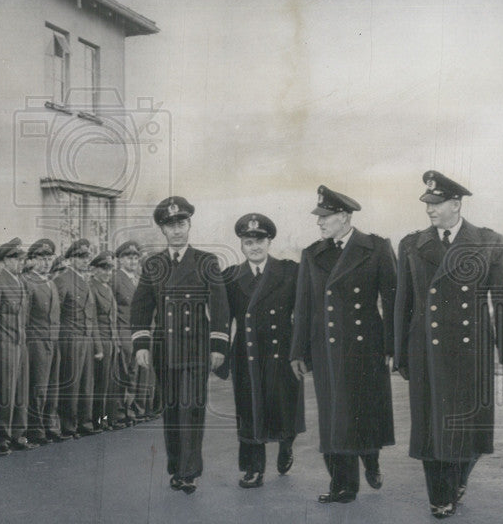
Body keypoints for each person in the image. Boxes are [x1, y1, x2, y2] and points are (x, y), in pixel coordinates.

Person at [395, 170, 503, 519]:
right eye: (427, 204)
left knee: (470, 431)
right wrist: (400, 353)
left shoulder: (487, 241)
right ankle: (441, 495)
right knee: (430, 429)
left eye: (437, 204)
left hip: (473, 353)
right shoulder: (411, 244)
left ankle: (457, 480)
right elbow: (403, 304)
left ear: (456, 203)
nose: (430, 211)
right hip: (426, 351)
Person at [290, 185, 397, 504]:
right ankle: (343, 486)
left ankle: (371, 457)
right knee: (333, 416)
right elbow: (304, 305)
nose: (319, 223)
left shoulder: (376, 247)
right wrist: (298, 351)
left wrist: (393, 347)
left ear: (345, 217)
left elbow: (392, 300)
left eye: (326, 217)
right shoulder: (312, 253)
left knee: (363, 412)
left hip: (366, 347)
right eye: (318, 217)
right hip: (326, 348)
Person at [131, 197, 230, 494]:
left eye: (181, 224)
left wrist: (218, 345)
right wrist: (141, 344)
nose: (177, 230)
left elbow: (221, 307)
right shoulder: (154, 264)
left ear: (189, 225)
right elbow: (140, 307)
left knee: (191, 409)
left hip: (195, 349)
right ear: (162, 229)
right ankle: (176, 467)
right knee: (172, 410)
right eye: (170, 225)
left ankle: (189, 471)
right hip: (165, 350)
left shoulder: (206, 261)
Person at [220, 213, 304, 489]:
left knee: (284, 408)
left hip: (282, 353)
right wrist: (220, 352)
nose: (254, 247)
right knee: (249, 410)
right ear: (241, 245)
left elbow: (302, 314)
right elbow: (223, 319)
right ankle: (254, 468)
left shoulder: (290, 272)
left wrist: (301, 352)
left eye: (259, 241)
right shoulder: (231, 277)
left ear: (269, 242)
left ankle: (285, 445)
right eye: (248, 242)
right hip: (248, 355)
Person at [0, 238, 34, 453]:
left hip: (19, 343)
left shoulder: (20, 282)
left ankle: (18, 433)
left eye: (21, 258)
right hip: (2, 344)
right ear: (3, 261)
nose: (20, 262)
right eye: (15, 258)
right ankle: (2, 436)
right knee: (5, 391)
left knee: (20, 391)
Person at [54, 239, 102, 438]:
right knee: (71, 383)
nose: (84, 261)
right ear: (70, 259)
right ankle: (69, 424)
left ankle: (85, 420)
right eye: (80, 257)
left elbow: (92, 316)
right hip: (70, 338)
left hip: (86, 339)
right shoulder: (63, 280)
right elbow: (55, 314)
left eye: (86, 257)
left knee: (86, 383)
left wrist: (97, 345)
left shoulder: (85, 282)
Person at [22, 239, 63, 444]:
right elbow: (25, 317)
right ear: (31, 260)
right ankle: (36, 427)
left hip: (52, 341)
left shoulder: (51, 283)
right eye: (41, 258)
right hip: (36, 341)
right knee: (38, 387)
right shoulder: (28, 282)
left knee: (52, 386)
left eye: (49, 258)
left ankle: (49, 424)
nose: (46, 262)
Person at [90, 251, 128, 430]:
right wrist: (98, 346)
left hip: (112, 341)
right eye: (103, 269)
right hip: (102, 341)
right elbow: (94, 322)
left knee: (111, 383)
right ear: (95, 270)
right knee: (101, 384)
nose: (107, 272)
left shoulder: (107, 288)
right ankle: (99, 420)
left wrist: (117, 343)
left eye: (109, 269)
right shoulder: (93, 287)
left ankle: (109, 418)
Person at [112, 241, 149, 422]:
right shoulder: (116, 279)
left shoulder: (139, 279)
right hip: (123, 331)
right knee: (124, 372)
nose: (133, 261)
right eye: (129, 257)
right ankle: (120, 411)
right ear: (120, 260)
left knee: (136, 372)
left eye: (135, 258)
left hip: (138, 332)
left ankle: (133, 409)